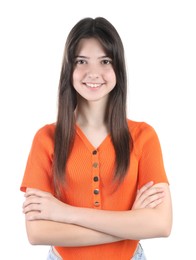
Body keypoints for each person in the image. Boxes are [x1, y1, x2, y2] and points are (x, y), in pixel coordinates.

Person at [21, 17, 172, 260]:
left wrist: (64, 212)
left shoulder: (144, 136)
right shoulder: (46, 138)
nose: (94, 73)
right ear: (69, 68)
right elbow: (37, 232)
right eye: (82, 61)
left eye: (105, 61)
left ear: (118, 68)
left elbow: (161, 225)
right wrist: (131, 224)